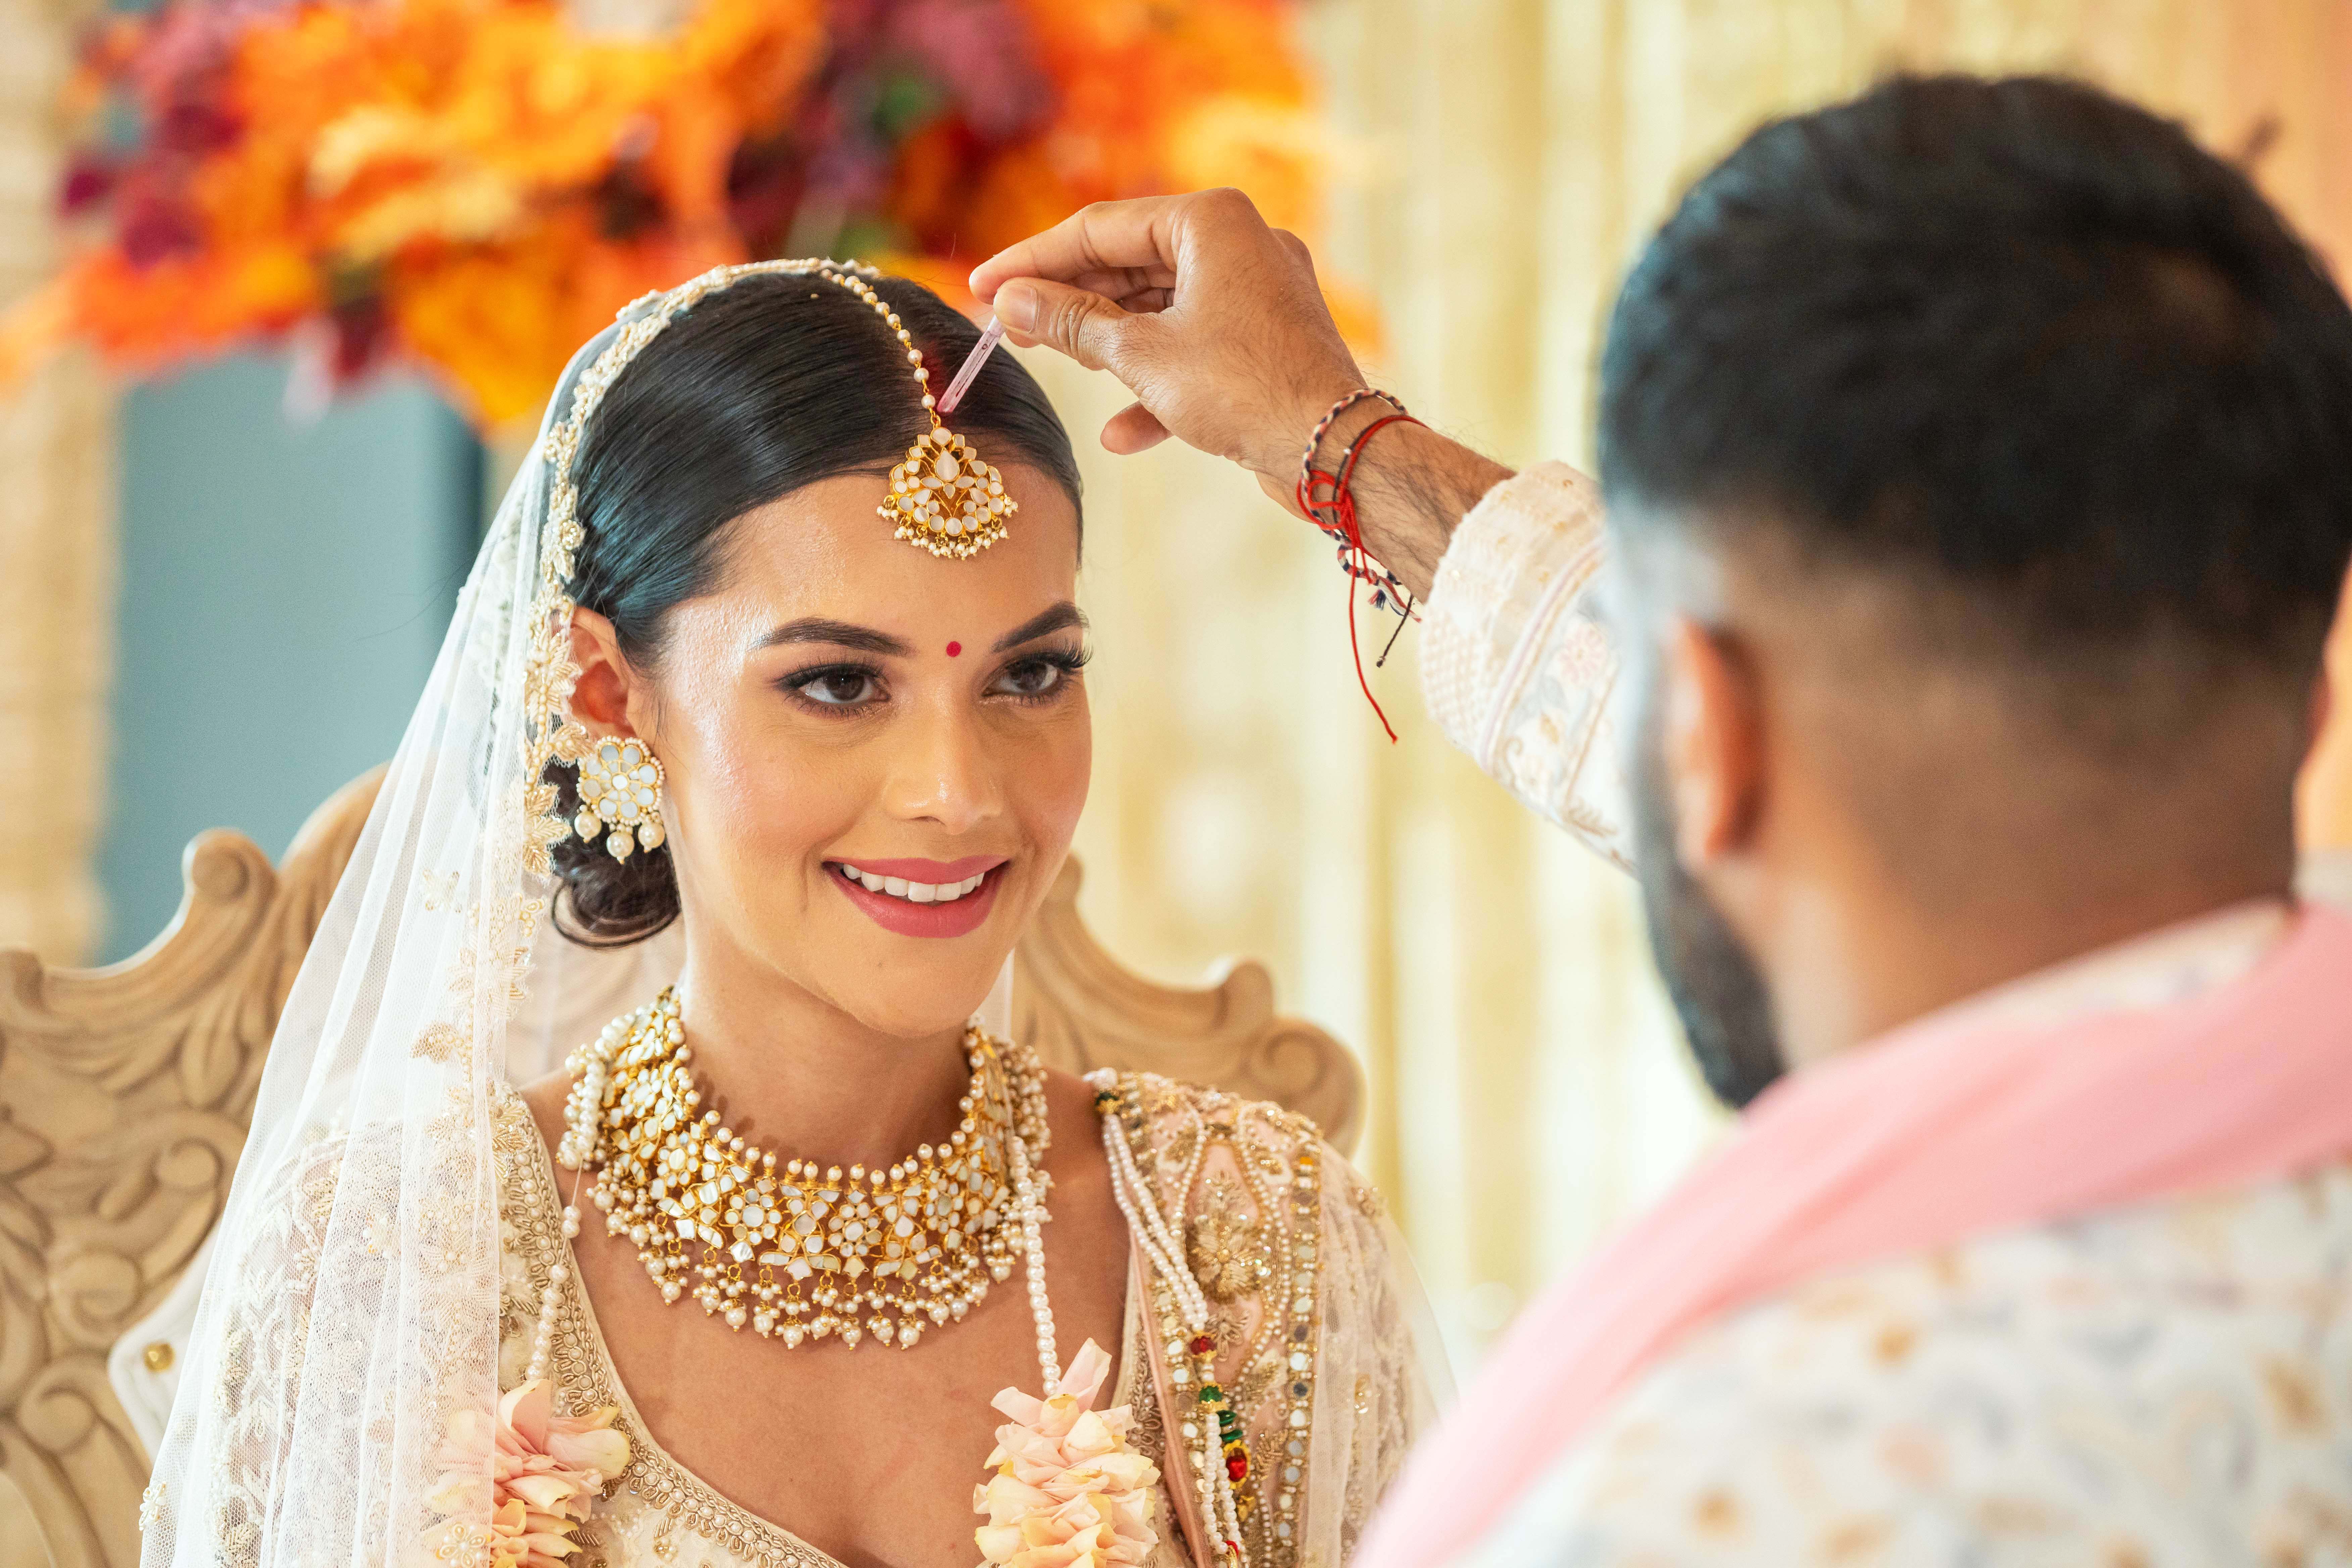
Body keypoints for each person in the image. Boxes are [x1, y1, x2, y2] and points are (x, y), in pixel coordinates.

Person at [968, 74, 2352, 1565]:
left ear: (1704, 732)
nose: (945, 791)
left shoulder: (1695, 1492)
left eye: (1037, 671)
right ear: (2308, 708)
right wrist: (1342, 440)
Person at [139, 264, 1441, 1568]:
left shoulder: (1256, 1239)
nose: (957, 794)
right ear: (608, 693)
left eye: (1030, 673)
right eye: (835, 683)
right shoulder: (389, 1266)